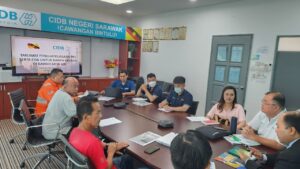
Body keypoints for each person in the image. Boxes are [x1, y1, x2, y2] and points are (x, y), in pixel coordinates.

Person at [69, 96, 132, 169]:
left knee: (127, 159)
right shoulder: (93, 143)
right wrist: (111, 153)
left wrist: (107, 146)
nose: (101, 116)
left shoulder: (74, 132)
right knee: (131, 160)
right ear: (86, 117)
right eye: (98, 113)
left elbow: (90, 147)